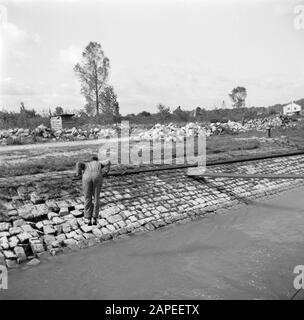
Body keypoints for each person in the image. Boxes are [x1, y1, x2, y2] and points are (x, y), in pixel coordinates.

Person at [75, 156, 111, 225]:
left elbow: (78, 163)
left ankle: (87, 218)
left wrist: (78, 174)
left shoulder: (86, 164)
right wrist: (106, 172)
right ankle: (95, 217)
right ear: (97, 160)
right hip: (97, 177)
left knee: (87, 198)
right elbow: (108, 161)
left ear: (90, 160)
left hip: (86, 178)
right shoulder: (99, 163)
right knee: (96, 198)